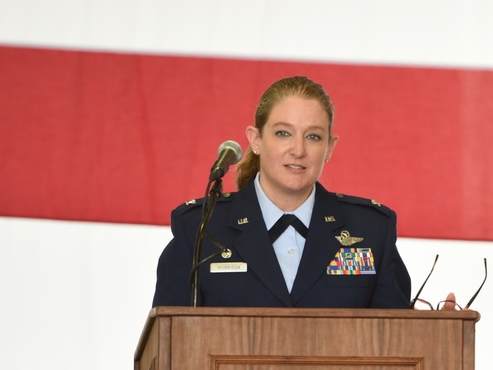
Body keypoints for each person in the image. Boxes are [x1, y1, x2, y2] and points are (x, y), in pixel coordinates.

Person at [152, 75, 413, 308]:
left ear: (330, 148)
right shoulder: (200, 228)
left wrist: (441, 329)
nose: (298, 150)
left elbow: (397, 341)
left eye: (313, 137)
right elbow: (169, 344)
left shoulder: (371, 231)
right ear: (256, 140)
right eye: (283, 133)